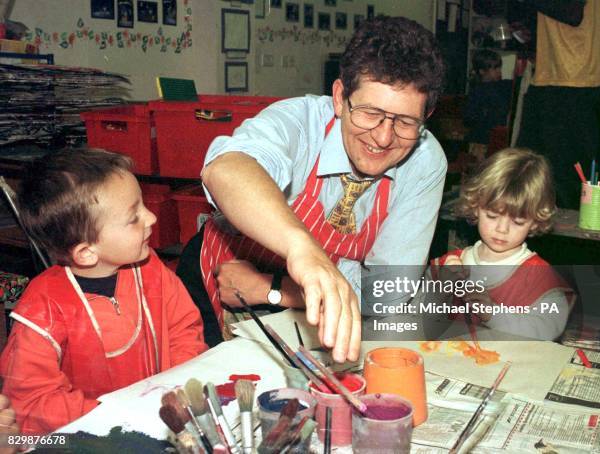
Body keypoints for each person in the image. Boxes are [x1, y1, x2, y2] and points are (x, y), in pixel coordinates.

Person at [198, 15, 446, 362]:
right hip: (225, 289)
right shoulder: (299, 122)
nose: (383, 137)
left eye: (405, 121)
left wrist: (279, 289)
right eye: (370, 113)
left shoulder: (425, 161)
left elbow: (386, 293)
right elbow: (225, 169)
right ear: (340, 96)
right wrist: (303, 248)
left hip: (288, 299)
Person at [0, 149, 206, 434]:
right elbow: (33, 403)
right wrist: (116, 416)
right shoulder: (42, 310)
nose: (151, 218)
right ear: (86, 253)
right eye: (133, 216)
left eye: (143, 205)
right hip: (94, 434)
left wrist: (177, 385)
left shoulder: (150, 268)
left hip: (163, 419)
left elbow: (184, 329)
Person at [432, 148, 574, 340]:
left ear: (535, 221)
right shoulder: (450, 262)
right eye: (492, 216)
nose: (502, 229)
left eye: (517, 222)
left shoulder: (539, 276)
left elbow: (548, 330)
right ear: (475, 207)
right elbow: (412, 315)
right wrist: (439, 291)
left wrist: (493, 314)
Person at [515, 0, 600, 208]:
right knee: (530, 169)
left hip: (572, 79)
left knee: (562, 179)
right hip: (570, 76)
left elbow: (572, 12)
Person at [464, 49, 513, 163]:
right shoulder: (477, 91)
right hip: (480, 140)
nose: (499, 71)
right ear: (482, 71)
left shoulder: (503, 86)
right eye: (495, 68)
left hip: (497, 136)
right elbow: (469, 117)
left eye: (499, 68)